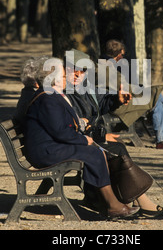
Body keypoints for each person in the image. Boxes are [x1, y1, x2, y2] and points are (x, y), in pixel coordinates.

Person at [21, 56, 140, 219]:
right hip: (45, 151)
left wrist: (82, 128)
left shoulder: (53, 95)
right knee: (93, 153)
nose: (65, 79)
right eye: (63, 76)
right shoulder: (48, 98)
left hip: (50, 146)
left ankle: (105, 201)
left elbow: (63, 126)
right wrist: (84, 140)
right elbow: (61, 131)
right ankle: (111, 204)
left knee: (95, 151)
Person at [102, 40, 163, 148]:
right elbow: (123, 87)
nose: (123, 58)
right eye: (122, 55)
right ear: (119, 54)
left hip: (116, 100)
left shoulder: (105, 64)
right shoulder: (108, 67)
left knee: (154, 96)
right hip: (116, 104)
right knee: (154, 97)